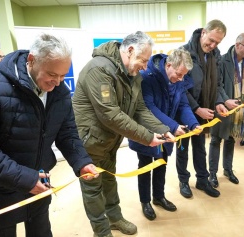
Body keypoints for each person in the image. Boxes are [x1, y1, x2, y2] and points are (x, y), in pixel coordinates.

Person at [0, 33, 99, 237]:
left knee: (41, 232)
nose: (57, 82)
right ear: (31, 60)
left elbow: (67, 132)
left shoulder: (59, 92)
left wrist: (81, 161)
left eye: (63, 76)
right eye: (52, 75)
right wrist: (26, 179)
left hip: (38, 181)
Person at [72, 31, 175, 237]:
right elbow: (110, 114)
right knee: (93, 189)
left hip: (109, 141)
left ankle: (115, 218)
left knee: (110, 181)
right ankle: (101, 232)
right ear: (129, 51)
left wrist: (163, 129)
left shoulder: (132, 74)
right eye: (143, 60)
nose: (145, 66)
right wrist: (147, 137)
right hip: (90, 142)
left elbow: (140, 109)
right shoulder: (99, 69)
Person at [128, 48, 202, 221]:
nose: (181, 79)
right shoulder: (147, 77)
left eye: (184, 75)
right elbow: (148, 107)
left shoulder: (178, 80)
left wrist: (193, 123)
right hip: (147, 129)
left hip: (167, 131)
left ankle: (159, 197)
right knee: (145, 166)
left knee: (162, 162)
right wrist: (173, 126)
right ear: (168, 65)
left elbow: (183, 105)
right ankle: (145, 201)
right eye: (178, 74)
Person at [176, 19, 228, 199]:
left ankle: (202, 180)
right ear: (203, 32)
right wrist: (197, 109)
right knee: (183, 148)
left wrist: (219, 102)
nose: (213, 45)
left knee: (200, 147)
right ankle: (183, 180)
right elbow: (179, 88)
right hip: (185, 110)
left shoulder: (215, 55)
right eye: (211, 40)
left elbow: (218, 83)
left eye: (217, 42)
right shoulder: (184, 52)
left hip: (205, 109)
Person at [208, 32, 244, 187]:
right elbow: (216, 85)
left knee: (231, 139)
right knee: (216, 139)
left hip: (239, 110)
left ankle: (228, 169)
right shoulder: (221, 60)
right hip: (222, 107)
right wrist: (225, 100)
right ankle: (212, 173)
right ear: (237, 44)